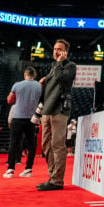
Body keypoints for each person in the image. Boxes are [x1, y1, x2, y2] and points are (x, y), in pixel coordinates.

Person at [32, 38, 75, 191]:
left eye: (60, 49)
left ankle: (57, 181)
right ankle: (52, 177)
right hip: (47, 111)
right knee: (46, 145)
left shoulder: (70, 66)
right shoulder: (53, 68)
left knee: (57, 145)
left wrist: (59, 63)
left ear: (66, 52)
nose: (56, 51)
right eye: (55, 48)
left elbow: (61, 78)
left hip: (59, 110)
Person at [3, 66, 41, 179]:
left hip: (18, 117)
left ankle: (10, 169)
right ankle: (28, 169)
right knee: (31, 144)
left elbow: (9, 100)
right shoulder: (39, 86)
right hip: (32, 118)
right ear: (34, 75)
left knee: (14, 143)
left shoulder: (17, 85)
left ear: (25, 74)